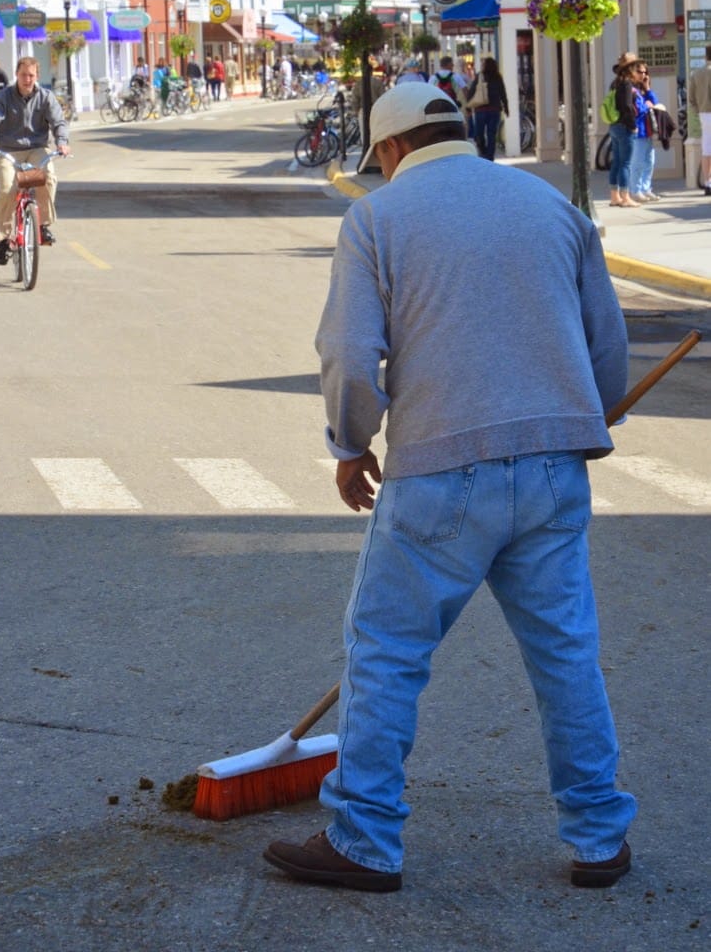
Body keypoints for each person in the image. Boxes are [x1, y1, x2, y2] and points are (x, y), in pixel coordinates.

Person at [263, 82, 636, 894]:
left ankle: (364, 839)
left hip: (440, 471)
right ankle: (600, 837)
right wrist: (583, 417)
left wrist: (350, 443)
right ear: (459, 131)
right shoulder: (551, 210)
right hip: (551, 467)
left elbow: (350, 353)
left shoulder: (377, 218)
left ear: (390, 150)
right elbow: (606, 349)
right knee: (567, 655)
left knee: (389, 654)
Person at [0, 56, 70, 265]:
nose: (27, 79)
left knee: (48, 177)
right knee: (7, 190)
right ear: (16, 75)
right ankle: (4, 238)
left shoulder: (46, 97)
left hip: (36, 149)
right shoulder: (2, 97)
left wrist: (62, 143)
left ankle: (43, 225)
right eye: (23, 75)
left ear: (37, 76)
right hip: (8, 151)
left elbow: (58, 122)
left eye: (31, 75)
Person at [607, 52, 642, 207]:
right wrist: (633, 126)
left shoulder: (615, 83)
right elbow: (627, 106)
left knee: (617, 162)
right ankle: (625, 196)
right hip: (624, 126)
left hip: (614, 125)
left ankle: (614, 196)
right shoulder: (627, 83)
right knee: (625, 163)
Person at [465, 55, 508, 161]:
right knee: (491, 134)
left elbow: (472, 91)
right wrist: (506, 106)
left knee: (479, 134)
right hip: (495, 110)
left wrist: (468, 106)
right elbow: (503, 93)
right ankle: (490, 156)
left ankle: (483, 152)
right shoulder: (498, 77)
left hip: (481, 109)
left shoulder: (480, 76)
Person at [629, 64, 660, 203]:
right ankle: (635, 190)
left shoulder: (641, 90)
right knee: (637, 162)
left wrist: (647, 88)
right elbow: (636, 109)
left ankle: (646, 188)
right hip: (638, 130)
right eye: (639, 72)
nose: (643, 75)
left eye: (645, 72)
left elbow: (654, 103)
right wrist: (646, 106)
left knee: (649, 161)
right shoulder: (631, 89)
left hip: (647, 130)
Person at [688, 42, 711, 196]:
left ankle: (708, 182)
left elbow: (691, 98)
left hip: (704, 113)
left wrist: (698, 110)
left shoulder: (697, 73)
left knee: (707, 147)